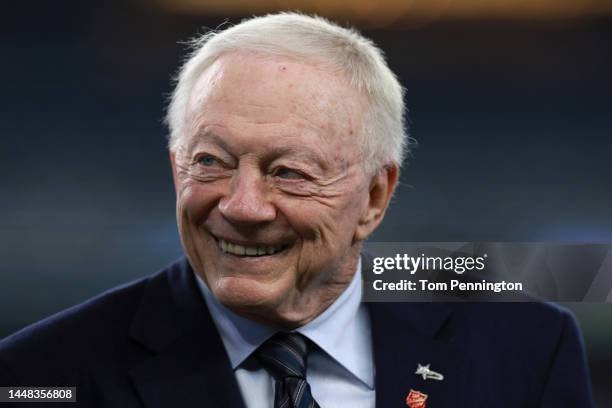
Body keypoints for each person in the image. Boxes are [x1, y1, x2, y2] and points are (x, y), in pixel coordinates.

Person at [0, 12, 592, 408]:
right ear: (175, 165)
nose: (244, 206)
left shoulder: (528, 350)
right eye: (211, 162)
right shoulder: (39, 374)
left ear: (376, 197)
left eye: (290, 172)